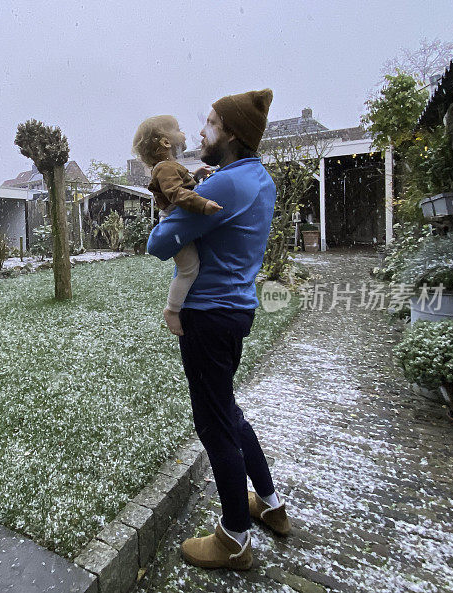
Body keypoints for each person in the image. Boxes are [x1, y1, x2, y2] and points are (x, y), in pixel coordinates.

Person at [147, 89, 291, 570]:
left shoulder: (226, 185)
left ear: (230, 133)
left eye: (209, 124)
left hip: (208, 315)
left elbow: (160, 242)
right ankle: (270, 504)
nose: (201, 131)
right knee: (227, 409)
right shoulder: (255, 177)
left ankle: (234, 539)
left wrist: (175, 206)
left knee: (213, 423)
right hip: (234, 310)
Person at [132, 115, 221, 336]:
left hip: (176, 218)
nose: (184, 133)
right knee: (189, 269)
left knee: (191, 266)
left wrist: (196, 175)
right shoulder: (164, 168)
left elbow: (181, 184)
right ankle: (172, 310)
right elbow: (175, 194)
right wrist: (202, 204)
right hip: (173, 220)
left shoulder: (168, 166)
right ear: (165, 142)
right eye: (179, 129)